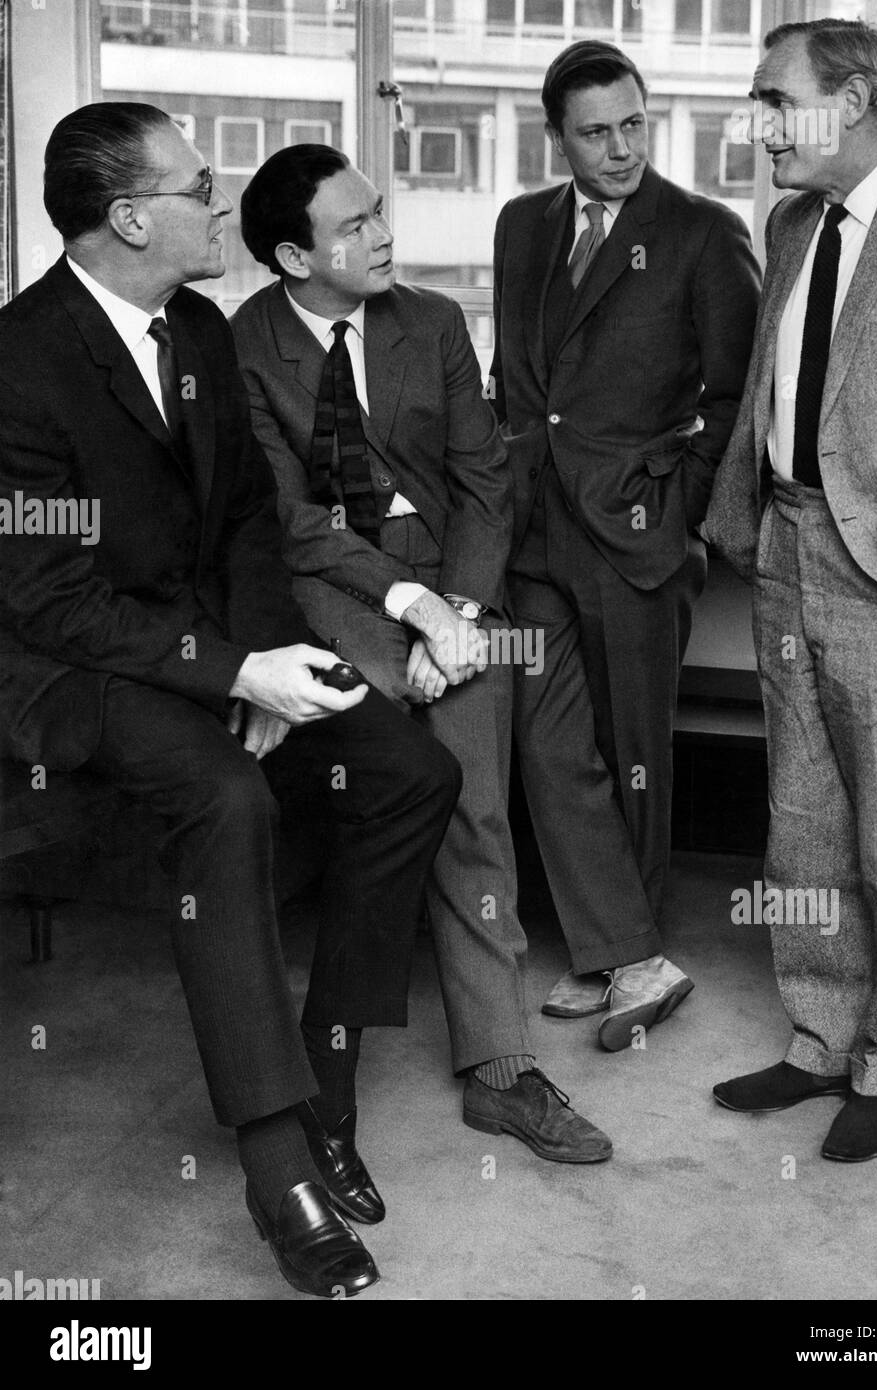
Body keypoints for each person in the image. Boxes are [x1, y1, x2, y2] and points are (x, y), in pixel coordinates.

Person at [0, 102, 462, 1297]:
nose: (224, 207)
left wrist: (260, 657)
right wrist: (228, 674)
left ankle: (332, 1075)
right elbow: (47, 598)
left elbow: (254, 522)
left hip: (219, 642)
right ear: (131, 215)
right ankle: (278, 1166)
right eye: (201, 189)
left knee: (412, 773)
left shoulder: (197, 328)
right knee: (225, 798)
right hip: (83, 673)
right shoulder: (18, 361)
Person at [230, 144, 611, 1163]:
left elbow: (486, 481)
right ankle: (319, 1075)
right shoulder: (243, 343)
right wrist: (406, 608)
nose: (383, 234)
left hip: (453, 573)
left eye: (380, 210)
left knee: (477, 811)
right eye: (352, 226)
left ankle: (501, 1070)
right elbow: (289, 518)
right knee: (375, 810)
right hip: (334, 584)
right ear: (291, 257)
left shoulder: (432, 321)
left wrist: (459, 609)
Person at [705, 18, 877, 1161]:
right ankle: (821, 1036)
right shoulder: (788, 219)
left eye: (776, 101)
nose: (755, 125)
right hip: (784, 549)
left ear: (860, 98)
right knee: (803, 819)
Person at [491, 40, 760, 1050]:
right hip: (532, 529)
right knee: (549, 739)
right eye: (596, 131)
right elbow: (516, 380)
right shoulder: (521, 225)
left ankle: (625, 959)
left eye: (633, 124)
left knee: (634, 748)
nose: (620, 148)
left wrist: (678, 507)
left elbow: (736, 401)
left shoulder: (700, 231)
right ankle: (623, 949)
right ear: (556, 136)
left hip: (636, 534)